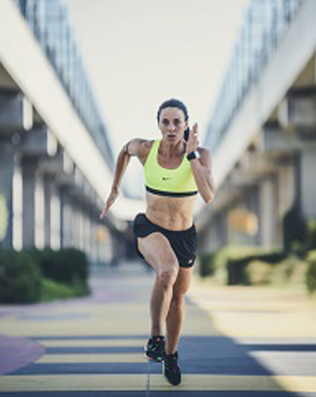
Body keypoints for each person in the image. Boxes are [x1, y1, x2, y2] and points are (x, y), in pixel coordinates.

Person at [100, 98, 214, 386]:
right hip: (150, 228)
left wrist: (191, 156)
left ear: (186, 124)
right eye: (166, 122)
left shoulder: (200, 155)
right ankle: (155, 338)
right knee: (167, 270)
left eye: (177, 122)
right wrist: (115, 187)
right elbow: (125, 150)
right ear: (159, 125)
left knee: (177, 299)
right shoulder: (146, 149)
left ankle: (171, 355)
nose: (171, 127)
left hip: (184, 235)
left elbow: (208, 194)